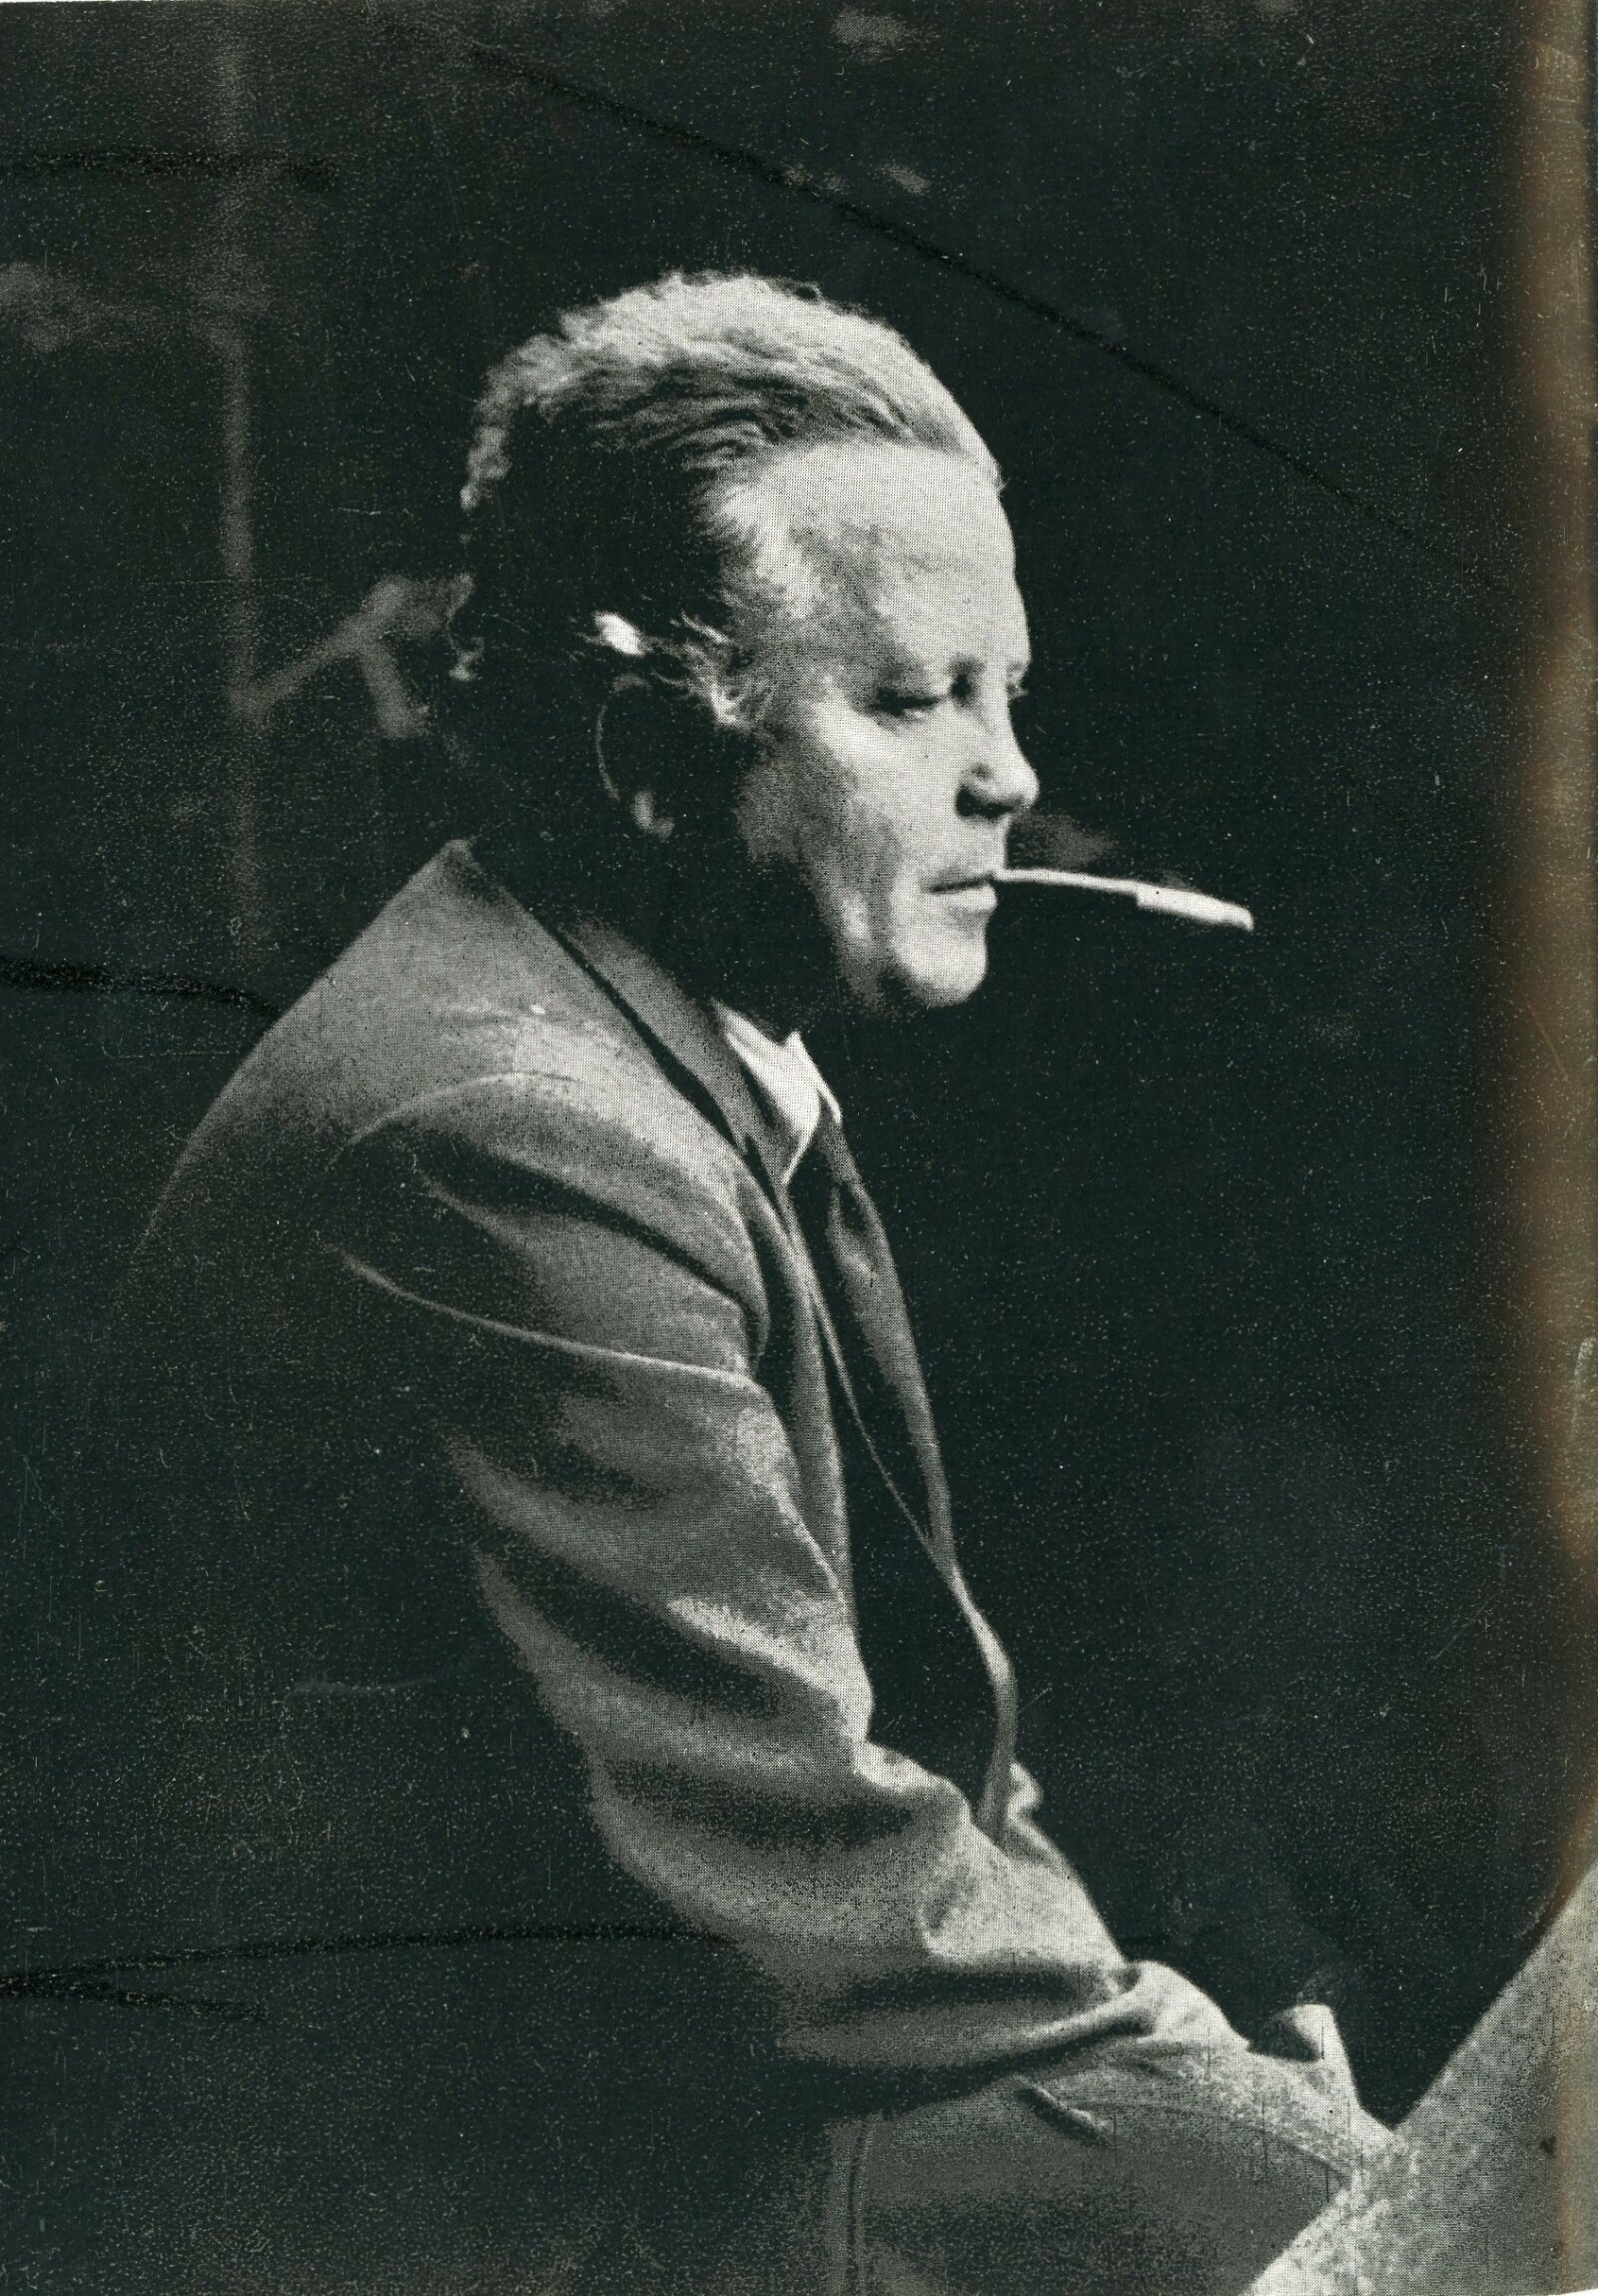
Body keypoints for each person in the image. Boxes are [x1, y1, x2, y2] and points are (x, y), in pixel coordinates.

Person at [44, 273, 1581, 2295]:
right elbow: (805, 1877)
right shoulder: (507, 1134)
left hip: (641, 2125)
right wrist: (1221, 2100)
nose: (1005, 774)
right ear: (651, 756)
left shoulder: (644, 1047)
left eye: (1001, 691)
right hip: (447, 2231)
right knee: (1387, 2221)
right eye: (912, 701)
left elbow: (930, 1763)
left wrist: (1185, 2072)